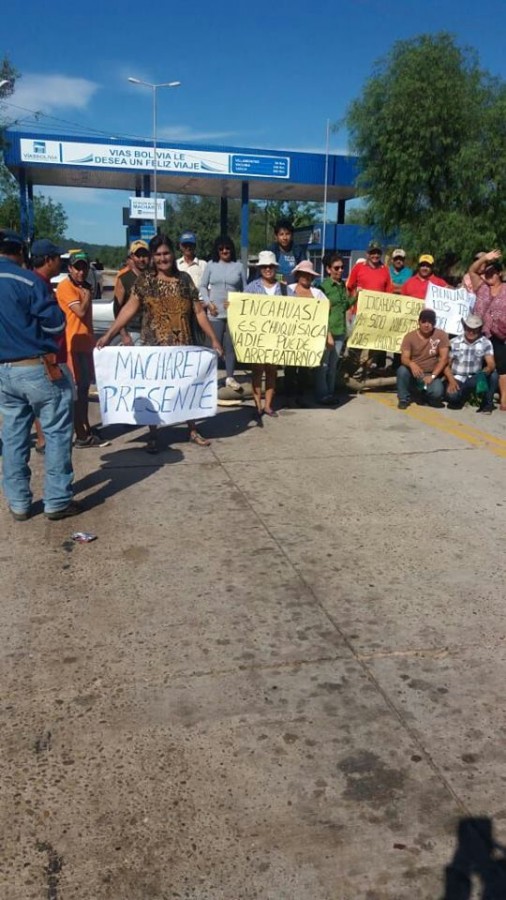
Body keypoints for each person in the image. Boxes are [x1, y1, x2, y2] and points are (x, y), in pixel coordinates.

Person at [96, 234, 223, 453]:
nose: (162, 258)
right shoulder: (145, 281)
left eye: (166, 253)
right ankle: (153, 435)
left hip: (184, 345)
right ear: (153, 258)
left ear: (173, 254)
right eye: (158, 254)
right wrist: (109, 335)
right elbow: (128, 309)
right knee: (153, 392)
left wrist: (213, 339)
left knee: (188, 388)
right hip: (153, 348)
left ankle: (192, 429)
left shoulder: (184, 279)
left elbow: (198, 312)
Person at [0, 229, 80, 521]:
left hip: (3, 372)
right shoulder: (29, 280)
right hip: (34, 366)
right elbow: (56, 324)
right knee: (57, 433)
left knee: (13, 436)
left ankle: (19, 502)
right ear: (20, 251)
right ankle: (57, 501)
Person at [56, 250, 107, 448]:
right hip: (71, 345)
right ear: (69, 268)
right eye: (77, 267)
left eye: (84, 267)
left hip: (85, 344)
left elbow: (87, 319)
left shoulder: (85, 286)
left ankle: (85, 427)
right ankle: (80, 433)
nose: (81, 271)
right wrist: (86, 295)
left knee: (84, 390)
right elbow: (80, 311)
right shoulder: (66, 287)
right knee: (76, 392)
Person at [30, 238, 66, 454]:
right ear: (47, 260)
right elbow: (55, 324)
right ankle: (59, 487)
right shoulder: (37, 285)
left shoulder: (36, 283)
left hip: (40, 360)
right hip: (44, 361)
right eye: (57, 258)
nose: (60, 262)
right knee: (54, 419)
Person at [199, 235, 245, 391]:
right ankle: (210, 379)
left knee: (230, 347)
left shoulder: (239, 266)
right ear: (217, 250)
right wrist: (208, 303)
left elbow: (244, 291)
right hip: (215, 313)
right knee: (214, 347)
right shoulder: (211, 265)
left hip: (233, 313)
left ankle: (230, 377)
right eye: (221, 248)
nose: (225, 251)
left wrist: (237, 303)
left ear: (232, 249)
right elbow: (203, 286)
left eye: (227, 248)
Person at [246, 250, 285, 422]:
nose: (268, 269)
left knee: (271, 372)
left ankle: (268, 405)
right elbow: (242, 308)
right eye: (264, 266)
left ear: (275, 268)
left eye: (270, 266)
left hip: (276, 337)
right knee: (257, 372)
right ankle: (257, 405)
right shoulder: (252, 287)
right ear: (260, 268)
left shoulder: (284, 288)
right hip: (258, 337)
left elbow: (296, 308)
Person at [285, 260, 328, 407]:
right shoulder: (288, 290)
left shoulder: (317, 293)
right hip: (290, 336)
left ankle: (301, 397)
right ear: (298, 275)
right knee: (289, 369)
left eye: (309, 275)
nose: (306, 277)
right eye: (303, 274)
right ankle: (289, 397)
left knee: (304, 370)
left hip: (308, 339)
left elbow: (325, 311)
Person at [468, 249, 506, 410]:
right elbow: (472, 270)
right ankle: (478, 394)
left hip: (499, 334)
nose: (488, 275)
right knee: (480, 365)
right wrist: (485, 257)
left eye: (492, 273)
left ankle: (504, 397)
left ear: (499, 274)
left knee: (502, 366)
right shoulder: (481, 287)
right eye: (487, 273)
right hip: (479, 333)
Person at [317, 253, 355, 403]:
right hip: (328, 331)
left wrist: (356, 296)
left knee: (333, 366)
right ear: (328, 269)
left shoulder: (342, 286)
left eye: (342, 267)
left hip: (340, 331)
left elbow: (344, 305)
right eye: (336, 268)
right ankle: (322, 394)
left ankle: (330, 393)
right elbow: (320, 311)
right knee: (323, 366)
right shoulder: (323, 287)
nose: (340, 270)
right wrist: (327, 333)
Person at [396, 308, 449, 409]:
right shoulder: (409, 336)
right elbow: (404, 358)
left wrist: (433, 376)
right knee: (402, 370)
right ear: (419, 322)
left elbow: (444, 358)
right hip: (415, 372)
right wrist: (412, 364)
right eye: (423, 321)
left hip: (431, 372)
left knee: (437, 393)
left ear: (434, 323)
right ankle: (403, 398)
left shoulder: (441, 335)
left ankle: (423, 395)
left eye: (430, 322)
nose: (426, 325)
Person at [445, 313, 496, 413]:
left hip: (475, 377)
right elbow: (446, 365)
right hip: (457, 377)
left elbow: (491, 363)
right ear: (464, 327)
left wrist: (486, 371)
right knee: (452, 397)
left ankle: (487, 404)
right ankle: (462, 397)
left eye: (475, 329)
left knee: (494, 375)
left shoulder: (486, 342)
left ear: (480, 329)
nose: (471, 332)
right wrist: (451, 380)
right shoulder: (454, 342)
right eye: (468, 328)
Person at [113, 239, 150, 345]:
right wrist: (124, 334)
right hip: (132, 332)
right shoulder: (124, 279)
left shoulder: (154, 277)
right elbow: (117, 309)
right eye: (138, 256)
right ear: (132, 257)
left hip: (151, 332)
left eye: (145, 255)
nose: (142, 259)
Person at [268, 219, 306, 284]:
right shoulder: (271, 251)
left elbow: (304, 270)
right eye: (281, 234)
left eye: (287, 234)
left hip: (294, 288)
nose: (285, 238)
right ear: (276, 236)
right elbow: (265, 272)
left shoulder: (299, 251)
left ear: (292, 235)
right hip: (275, 287)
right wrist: (279, 281)